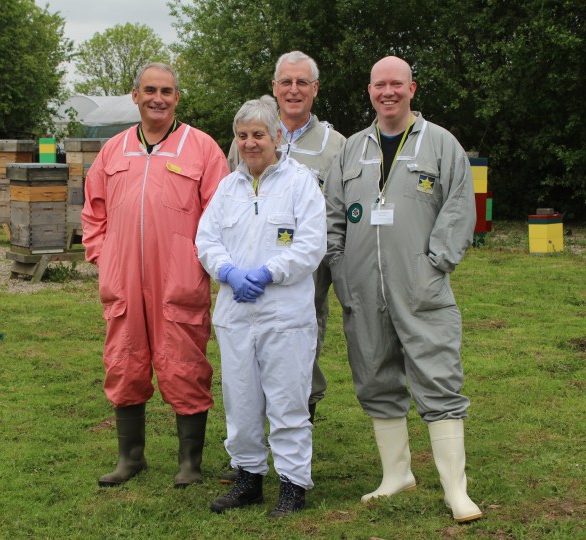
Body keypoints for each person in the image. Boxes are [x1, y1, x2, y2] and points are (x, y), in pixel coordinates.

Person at [323, 56, 482, 523]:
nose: (387, 92)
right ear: (369, 91)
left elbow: (458, 207)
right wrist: (339, 267)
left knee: (438, 376)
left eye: (396, 84)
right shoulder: (352, 150)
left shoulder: (440, 144)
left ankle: (456, 489)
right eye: (379, 85)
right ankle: (397, 475)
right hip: (361, 289)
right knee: (374, 375)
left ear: (412, 88)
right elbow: (332, 214)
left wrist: (437, 263)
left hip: (421, 287)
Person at [82, 62, 230, 489]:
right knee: (124, 362)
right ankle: (130, 458)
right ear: (135, 95)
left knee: (184, 363)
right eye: (150, 90)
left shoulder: (202, 148)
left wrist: (199, 262)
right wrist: (104, 257)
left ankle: (190, 463)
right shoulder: (113, 150)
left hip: (178, 279)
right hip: (124, 277)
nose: (158, 98)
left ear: (177, 98)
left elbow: (220, 215)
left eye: (166, 91)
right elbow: (94, 211)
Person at [196, 96, 326, 517]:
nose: (251, 143)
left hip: (285, 315)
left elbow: (310, 245)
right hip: (235, 314)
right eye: (243, 135)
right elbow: (206, 240)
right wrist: (229, 272)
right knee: (242, 400)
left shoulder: (300, 182)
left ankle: (293, 486)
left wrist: (269, 272)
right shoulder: (227, 187)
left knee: (288, 401)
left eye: (259, 135)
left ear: (277, 136)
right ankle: (248, 477)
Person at [220, 50, 345, 484]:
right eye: (285, 82)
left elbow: (337, 216)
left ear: (314, 89)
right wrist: (232, 270)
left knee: (298, 369)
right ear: (275, 88)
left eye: (302, 83)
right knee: (244, 379)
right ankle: (250, 465)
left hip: (307, 279)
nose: (293, 90)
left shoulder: (335, 145)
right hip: (246, 292)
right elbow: (224, 218)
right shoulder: (247, 142)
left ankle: (293, 463)